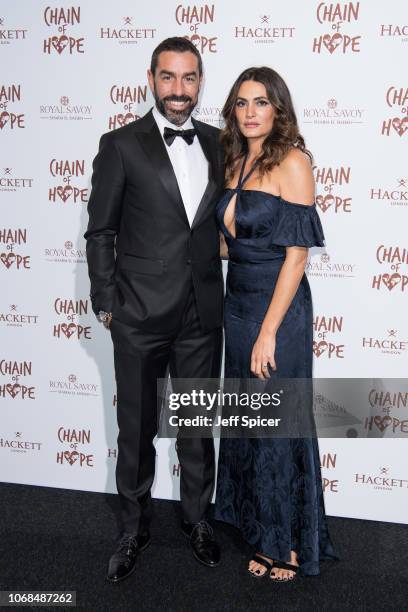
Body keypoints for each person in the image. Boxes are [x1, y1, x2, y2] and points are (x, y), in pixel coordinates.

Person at [84, 37, 224, 583]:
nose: (179, 90)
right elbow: (102, 231)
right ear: (151, 79)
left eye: (189, 79)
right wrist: (106, 302)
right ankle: (133, 527)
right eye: (169, 78)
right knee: (136, 427)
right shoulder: (120, 145)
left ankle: (198, 521)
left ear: (200, 82)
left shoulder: (219, 143)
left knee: (195, 426)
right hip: (138, 314)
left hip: (200, 315)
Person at [214, 67, 336, 581]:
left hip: (277, 313)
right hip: (236, 304)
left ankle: (285, 542)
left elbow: (296, 257)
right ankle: (256, 523)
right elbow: (229, 241)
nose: (249, 112)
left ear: (277, 108)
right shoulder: (236, 160)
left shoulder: (293, 162)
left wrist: (267, 332)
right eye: (241, 103)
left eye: (260, 102)